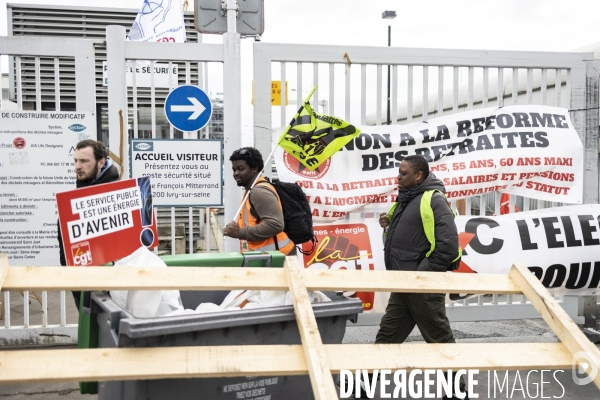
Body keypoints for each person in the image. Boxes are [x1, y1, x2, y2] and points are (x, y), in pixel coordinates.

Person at [376, 155, 467, 400]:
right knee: (387, 335)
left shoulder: (434, 199)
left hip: (422, 286)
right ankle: (363, 382)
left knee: (439, 339)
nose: (398, 177)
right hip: (404, 284)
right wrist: (388, 223)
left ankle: (458, 391)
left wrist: (420, 277)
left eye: (403, 173)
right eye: (398, 172)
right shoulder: (406, 199)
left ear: (418, 176)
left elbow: (447, 247)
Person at [57, 139, 120, 309]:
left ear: (101, 162)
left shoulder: (118, 195)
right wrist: (75, 284)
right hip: (81, 283)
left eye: (84, 161)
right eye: (75, 160)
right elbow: (65, 243)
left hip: (113, 287)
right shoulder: (79, 192)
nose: (77, 166)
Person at [223, 147, 295, 255]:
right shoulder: (250, 190)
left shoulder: (259, 191)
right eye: (234, 170)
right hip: (265, 257)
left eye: (240, 169)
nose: (236, 173)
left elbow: (275, 224)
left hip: (276, 258)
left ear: (254, 169)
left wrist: (239, 232)